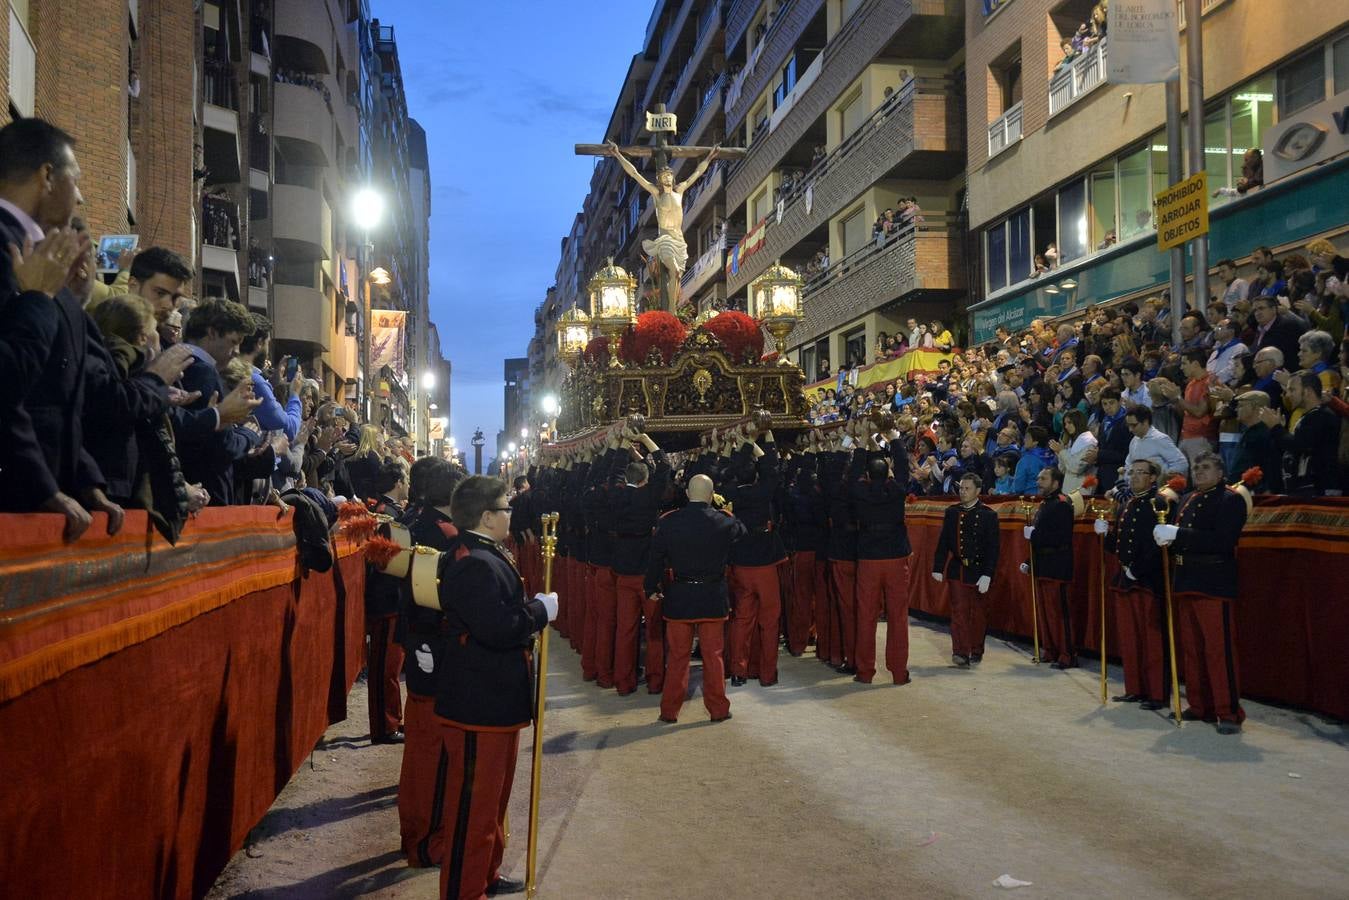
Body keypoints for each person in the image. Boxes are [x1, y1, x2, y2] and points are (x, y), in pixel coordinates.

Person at [431, 475, 556, 898]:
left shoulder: (483, 554)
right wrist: (538, 611)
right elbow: (498, 628)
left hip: (495, 700)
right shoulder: (472, 562)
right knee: (473, 811)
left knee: (493, 805)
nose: (510, 513)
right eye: (505, 508)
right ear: (486, 517)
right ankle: (464, 891)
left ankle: (485, 873)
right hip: (477, 702)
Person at [0, 117, 125, 540]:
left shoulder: (45, 255)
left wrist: (84, 479)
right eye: (77, 179)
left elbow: (60, 385)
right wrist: (42, 485)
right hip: (17, 501)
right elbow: (10, 386)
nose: (81, 196)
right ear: (47, 175)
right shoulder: (8, 245)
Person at [1151, 452, 1247, 734]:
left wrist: (1178, 535)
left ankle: (1228, 712)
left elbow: (1222, 541)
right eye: (1196, 467)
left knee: (1219, 651)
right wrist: (1167, 539)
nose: (1199, 472)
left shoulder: (1230, 499)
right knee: (1192, 650)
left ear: (1220, 472)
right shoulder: (1189, 498)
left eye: (1206, 468)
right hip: (1187, 579)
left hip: (1213, 581)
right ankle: (1200, 704)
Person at [398, 458, 463, 869]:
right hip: (432, 646)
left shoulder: (419, 524)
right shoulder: (431, 534)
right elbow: (428, 601)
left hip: (427, 644)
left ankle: (424, 835)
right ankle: (425, 840)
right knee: (431, 750)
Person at [644, 473, 745, 723]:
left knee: (677, 657)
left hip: (681, 596)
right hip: (712, 596)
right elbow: (742, 534)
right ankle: (718, 709)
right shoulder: (724, 522)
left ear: (688, 494)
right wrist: (722, 509)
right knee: (714, 656)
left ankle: (669, 711)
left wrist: (651, 587)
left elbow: (655, 558)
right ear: (711, 496)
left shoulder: (669, 522)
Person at [605, 140, 720, 311]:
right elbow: (635, 174)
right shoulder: (657, 194)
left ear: (673, 178)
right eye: (663, 176)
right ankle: (671, 311)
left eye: (669, 175)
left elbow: (696, 173)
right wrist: (617, 154)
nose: (667, 178)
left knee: (678, 275)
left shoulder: (679, 190)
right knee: (672, 270)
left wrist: (710, 157)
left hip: (678, 239)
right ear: (659, 180)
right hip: (665, 239)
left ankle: (672, 306)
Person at [1104, 460, 1175, 710]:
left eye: (1140, 473)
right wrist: (1105, 535)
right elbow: (1119, 543)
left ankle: (1156, 693)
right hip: (1125, 577)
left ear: (1153, 478)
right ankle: (1134, 688)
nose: (1133, 477)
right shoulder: (1126, 504)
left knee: (1151, 639)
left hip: (1147, 579)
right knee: (1130, 637)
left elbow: (1159, 544)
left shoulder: (1159, 503)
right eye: (1131, 472)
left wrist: (1138, 568)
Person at [609, 429, 671, 696]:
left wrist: (623, 447)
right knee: (654, 630)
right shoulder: (650, 497)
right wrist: (645, 440)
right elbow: (665, 465)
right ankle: (656, 681)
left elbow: (612, 472)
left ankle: (624, 682)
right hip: (648, 572)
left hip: (623, 571)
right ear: (645, 478)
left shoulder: (616, 496)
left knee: (626, 629)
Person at [723, 427, 786, 687]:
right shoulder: (763, 490)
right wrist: (755, 441)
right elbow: (771, 467)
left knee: (742, 619)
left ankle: (738, 671)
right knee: (770, 620)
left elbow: (723, 471)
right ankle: (768, 674)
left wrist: (736, 446)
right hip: (765, 561)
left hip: (741, 561)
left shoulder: (731, 491)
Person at [849, 429, 913, 685]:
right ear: (887, 472)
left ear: (867, 474)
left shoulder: (859, 491)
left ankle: (865, 672)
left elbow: (853, 473)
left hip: (868, 557)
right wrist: (893, 437)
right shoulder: (897, 489)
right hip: (896, 556)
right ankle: (899, 672)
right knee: (898, 616)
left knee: (866, 616)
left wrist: (863, 445)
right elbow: (904, 465)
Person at [930, 473, 999, 667]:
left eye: (967, 489)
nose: (963, 492)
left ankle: (976, 649)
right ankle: (960, 652)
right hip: (958, 568)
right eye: (961, 488)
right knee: (958, 613)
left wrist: (988, 574)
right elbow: (944, 541)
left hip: (979, 570)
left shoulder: (988, 515)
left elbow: (993, 548)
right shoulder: (952, 512)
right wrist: (938, 566)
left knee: (978, 614)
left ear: (978, 491)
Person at [365, 461, 410, 745]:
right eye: (404, 478)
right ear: (397, 482)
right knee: (385, 668)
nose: (408, 483)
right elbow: (383, 562)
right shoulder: (385, 514)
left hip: (393, 597)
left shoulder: (390, 511)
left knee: (392, 666)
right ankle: (384, 726)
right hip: (386, 597)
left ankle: (393, 718)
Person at [1021, 466, 1077, 669]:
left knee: (1059, 614)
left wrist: (1033, 535)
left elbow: (1061, 537)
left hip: (1057, 565)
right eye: (1038, 478)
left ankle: (1066, 654)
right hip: (1043, 564)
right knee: (1045, 612)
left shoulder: (1062, 504)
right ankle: (1050, 650)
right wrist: (1029, 560)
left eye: (1043, 478)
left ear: (1055, 482)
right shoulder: (1045, 504)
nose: (1038, 482)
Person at [1123, 405, 1188, 477]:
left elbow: (1181, 463)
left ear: (1145, 422)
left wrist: (1162, 477)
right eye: (1128, 425)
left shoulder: (1160, 439)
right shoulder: (1134, 441)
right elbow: (1128, 465)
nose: (1130, 429)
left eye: (1134, 425)